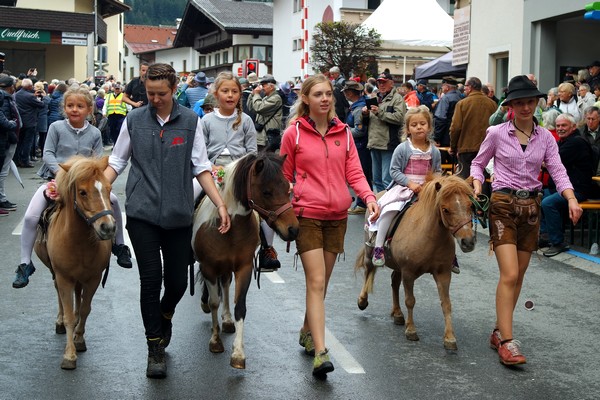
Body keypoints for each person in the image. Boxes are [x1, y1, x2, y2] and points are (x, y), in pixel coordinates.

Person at [104, 63, 230, 379]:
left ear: (175, 90)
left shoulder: (190, 122)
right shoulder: (133, 120)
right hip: (142, 213)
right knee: (151, 278)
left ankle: (166, 313)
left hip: (178, 214)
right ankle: (154, 346)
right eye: (150, 93)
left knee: (175, 282)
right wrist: (99, 189)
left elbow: (201, 166)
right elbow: (117, 161)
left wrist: (221, 204)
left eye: (161, 94)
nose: (155, 99)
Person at [470, 75, 582, 366]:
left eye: (529, 102)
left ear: (536, 102)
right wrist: (477, 182)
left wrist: (570, 198)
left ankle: (498, 330)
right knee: (509, 274)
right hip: (503, 205)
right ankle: (508, 342)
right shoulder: (496, 132)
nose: (524, 107)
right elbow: (478, 163)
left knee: (517, 276)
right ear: (510, 106)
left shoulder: (546, 137)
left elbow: (557, 170)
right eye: (518, 103)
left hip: (531, 208)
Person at [279, 74, 380, 378]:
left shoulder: (344, 133)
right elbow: (284, 176)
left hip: (337, 216)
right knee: (317, 281)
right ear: (306, 99)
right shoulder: (293, 134)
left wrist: (369, 197)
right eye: (318, 94)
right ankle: (321, 352)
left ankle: (307, 331)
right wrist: (293, 196)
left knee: (321, 284)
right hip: (306, 215)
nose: (324, 99)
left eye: (328, 95)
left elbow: (355, 172)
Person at [13, 85, 132, 289]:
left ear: (88, 109)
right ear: (64, 108)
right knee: (31, 216)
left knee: (112, 201)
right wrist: (62, 174)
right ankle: (25, 263)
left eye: (79, 106)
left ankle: (119, 245)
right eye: (70, 105)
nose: (74, 109)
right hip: (57, 180)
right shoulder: (56, 128)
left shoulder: (95, 132)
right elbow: (48, 153)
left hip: (84, 184)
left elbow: (96, 159)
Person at [368, 106, 441, 266]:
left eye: (422, 123)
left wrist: (432, 185)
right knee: (389, 210)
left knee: (445, 214)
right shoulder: (403, 148)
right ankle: (379, 247)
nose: (419, 127)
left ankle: (447, 253)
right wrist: (410, 183)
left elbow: (437, 172)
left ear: (429, 126)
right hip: (405, 188)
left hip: (427, 191)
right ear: (408, 129)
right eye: (414, 125)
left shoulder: (434, 151)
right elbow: (394, 171)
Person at [539, 113, 594, 256]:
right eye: (558, 126)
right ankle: (545, 236)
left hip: (578, 190)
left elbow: (551, 162)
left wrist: (542, 162)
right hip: (561, 188)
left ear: (573, 126)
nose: (560, 128)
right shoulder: (563, 141)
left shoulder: (576, 142)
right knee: (537, 197)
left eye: (564, 125)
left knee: (548, 203)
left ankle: (558, 242)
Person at [364, 71, 407, 192]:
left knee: (387, 180)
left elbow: (400, 118)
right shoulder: (375, 97)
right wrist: (365, 115)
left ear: (391, 83)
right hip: (374, 142)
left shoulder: (397, 99)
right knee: (377, 180)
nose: (381, 85)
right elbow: (370, 121)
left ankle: (388, 208)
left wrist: (379, 112)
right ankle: (380, 207)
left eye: (384, 82)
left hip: (388, 144)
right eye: (379, 82)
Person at [449, 77, 497, 180]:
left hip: (466, 148)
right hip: (487, 147)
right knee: (482, 179)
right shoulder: (492, 104)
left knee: (465, 180)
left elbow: (455, 128)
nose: (464, 89)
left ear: (470, 87)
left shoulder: (462, 104)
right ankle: (482, 196)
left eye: (465, 86)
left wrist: (453, 146)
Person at [343, 80, 372, 215]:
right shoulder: (358, 106)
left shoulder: (358, 109)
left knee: (362, 174)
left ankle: (362, 203)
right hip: (361, 145)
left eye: (346, 92)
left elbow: (360, 131)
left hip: (361, 145)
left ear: (350, 93)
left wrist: (344, 131)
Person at [0, 73, 20, 214]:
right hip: (6, 139)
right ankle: (1, 199)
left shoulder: (8, 98)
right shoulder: (4, 99)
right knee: (2, 171)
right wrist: (13, 124)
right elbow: (5, 122)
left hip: (8, 138)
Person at [247, 74, 282, 152]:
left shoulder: (276, 98)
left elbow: (259, 108)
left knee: (266, 161)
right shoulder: (266, 98)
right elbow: (252, 108)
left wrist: (256, 94)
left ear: (271, 87)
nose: (262, 88)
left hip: (268, 137)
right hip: (261, 137)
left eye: (263, 85)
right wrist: (252, 94)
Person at [14, 78, 44, 168]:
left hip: (20, 121)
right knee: (28, 142)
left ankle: (17, 160)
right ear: (30, 86)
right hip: (30, 122)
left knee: (19, 142)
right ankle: (25, 161)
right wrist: (40, 98)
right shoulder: (30, 96)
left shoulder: (16, 95)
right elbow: (41, 105)